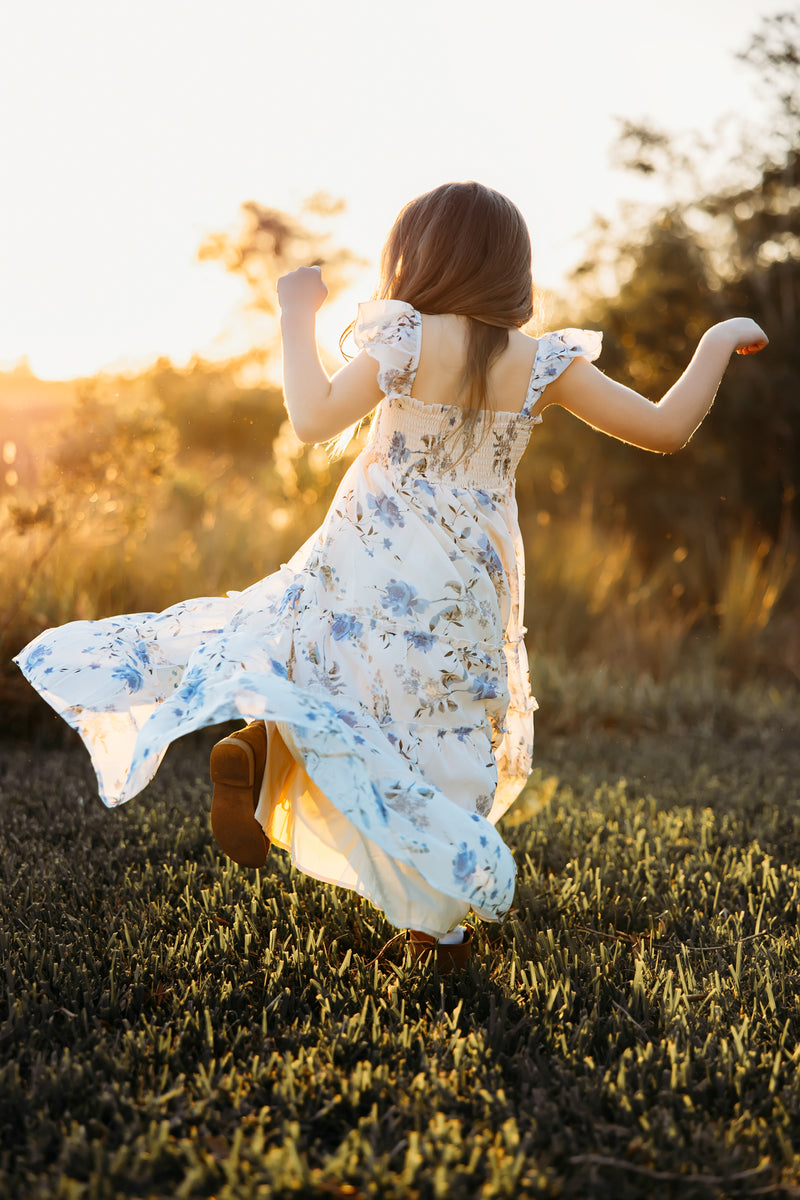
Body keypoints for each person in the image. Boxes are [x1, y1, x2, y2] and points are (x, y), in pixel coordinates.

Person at [14, 182, 767, 972]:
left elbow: (311, 420)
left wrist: (296, 314)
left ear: (418, 258)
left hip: (366, 551)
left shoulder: (406, 339)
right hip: (464, 578)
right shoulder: (544, 362)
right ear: (512, 268)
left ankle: (265, 748)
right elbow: (666, 428)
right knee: (444, 733)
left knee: (312, 659)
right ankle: (436, 936)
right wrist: (715, 340)